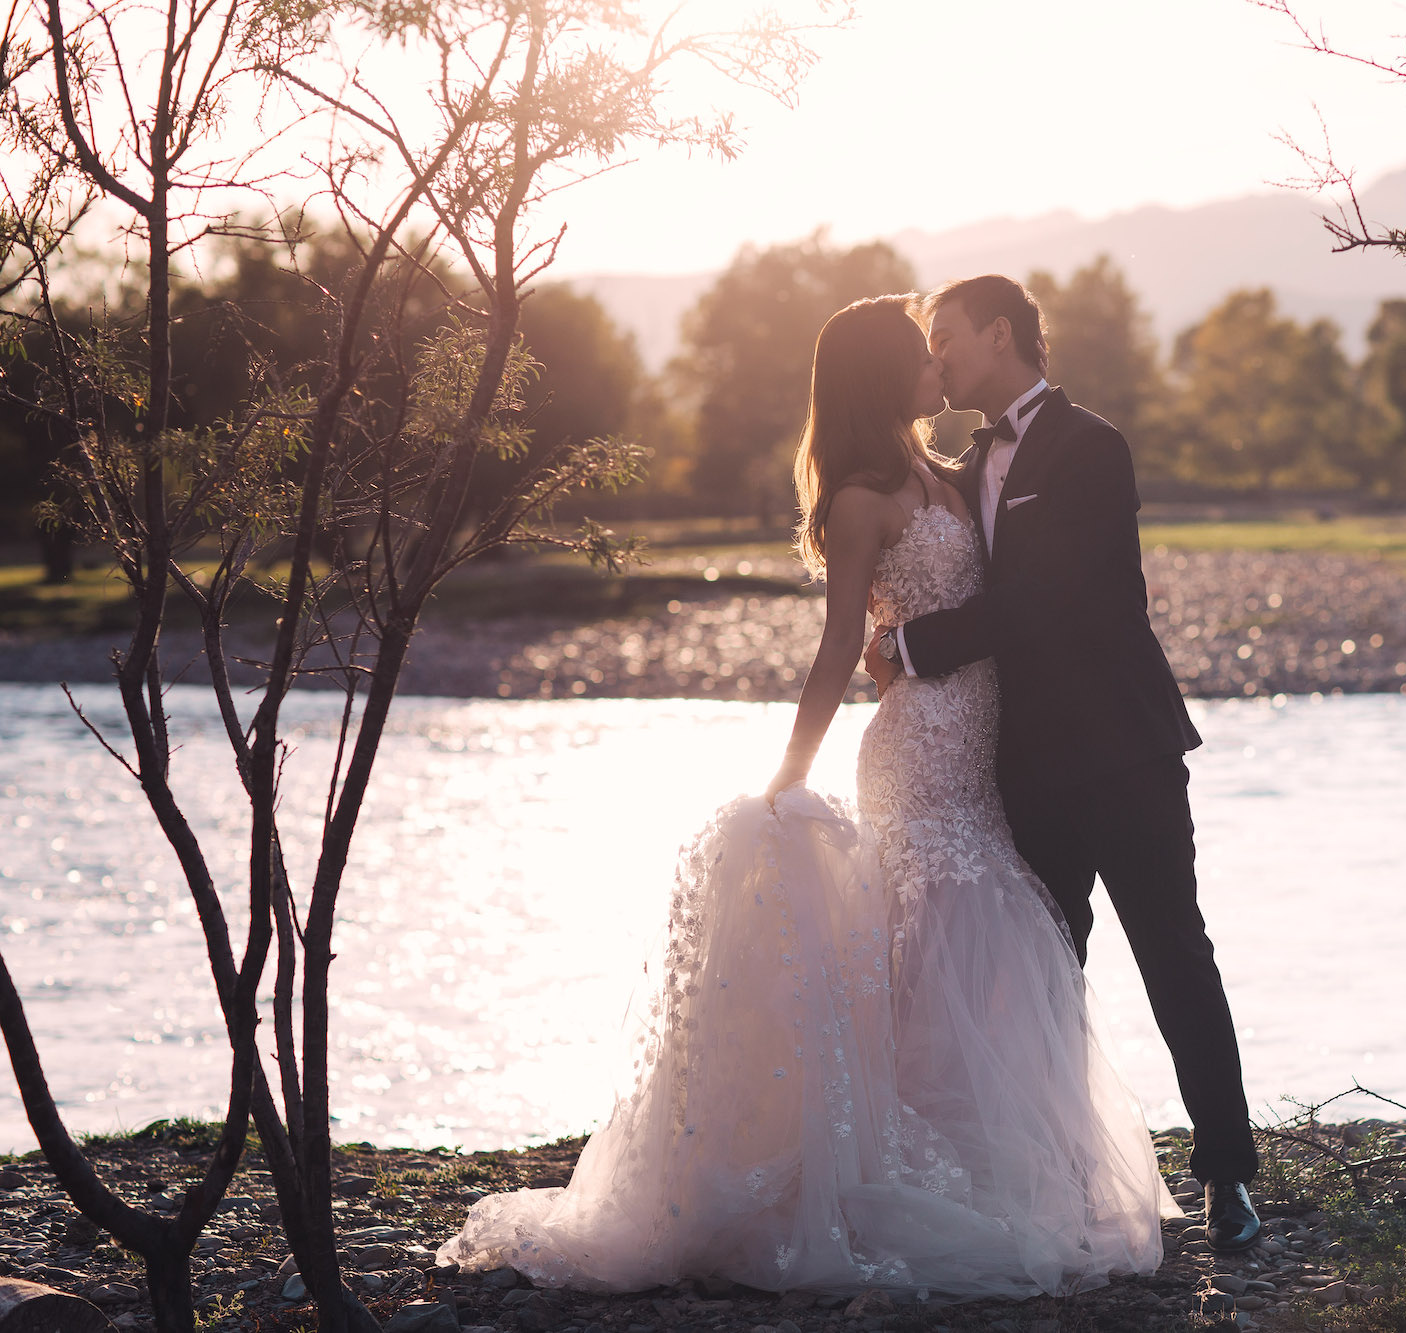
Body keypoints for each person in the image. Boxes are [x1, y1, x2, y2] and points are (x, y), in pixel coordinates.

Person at [437, 295, 1170, 1297]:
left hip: (985, 742)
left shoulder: (942, 471)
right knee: (953, 932)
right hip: (917, 747)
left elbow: (1019, 591)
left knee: (994, 949)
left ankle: (997, 1163)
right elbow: (837, 647)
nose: (936, 365)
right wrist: (787, 771)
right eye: (919, 354)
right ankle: (932, 1166)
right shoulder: (861, 498)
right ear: (880, 375)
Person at [864, 275, 1261, 1250]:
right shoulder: (959, 465)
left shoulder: (1092, 449)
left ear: (999, 335)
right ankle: (1056, 1175)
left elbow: (1046, 600)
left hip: (1123, 751)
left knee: (1174, 952)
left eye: (947, 337)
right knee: (1039, 970)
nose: (939, 355)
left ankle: (1226, 1179)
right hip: (1022, 763)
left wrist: (910, 650)